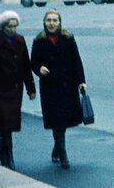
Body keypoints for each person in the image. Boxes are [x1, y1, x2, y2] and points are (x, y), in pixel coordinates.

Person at [31, 10, 87, 169]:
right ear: (44, 22)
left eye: (55, 20)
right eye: (49, 20)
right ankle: (63, 154)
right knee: (56, 120)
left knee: (63, 121)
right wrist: (39, 68)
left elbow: (76, 61)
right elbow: (33, 62)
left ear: (60, 22)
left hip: (67, 86)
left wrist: (81, 81)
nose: (52, 23)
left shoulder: (68, 39)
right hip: (49, 88)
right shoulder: (39, 41)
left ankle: (57, 148)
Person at [0, 10, 36, 170]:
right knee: (5, 124)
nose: (12, 30)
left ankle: (2, 151)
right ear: (3, 26)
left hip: (15, 90)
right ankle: (8, 155)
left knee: (8, 124)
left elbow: (26, 65)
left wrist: (30, 88)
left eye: (14, 26)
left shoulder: (20, 40)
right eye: (9, 27)